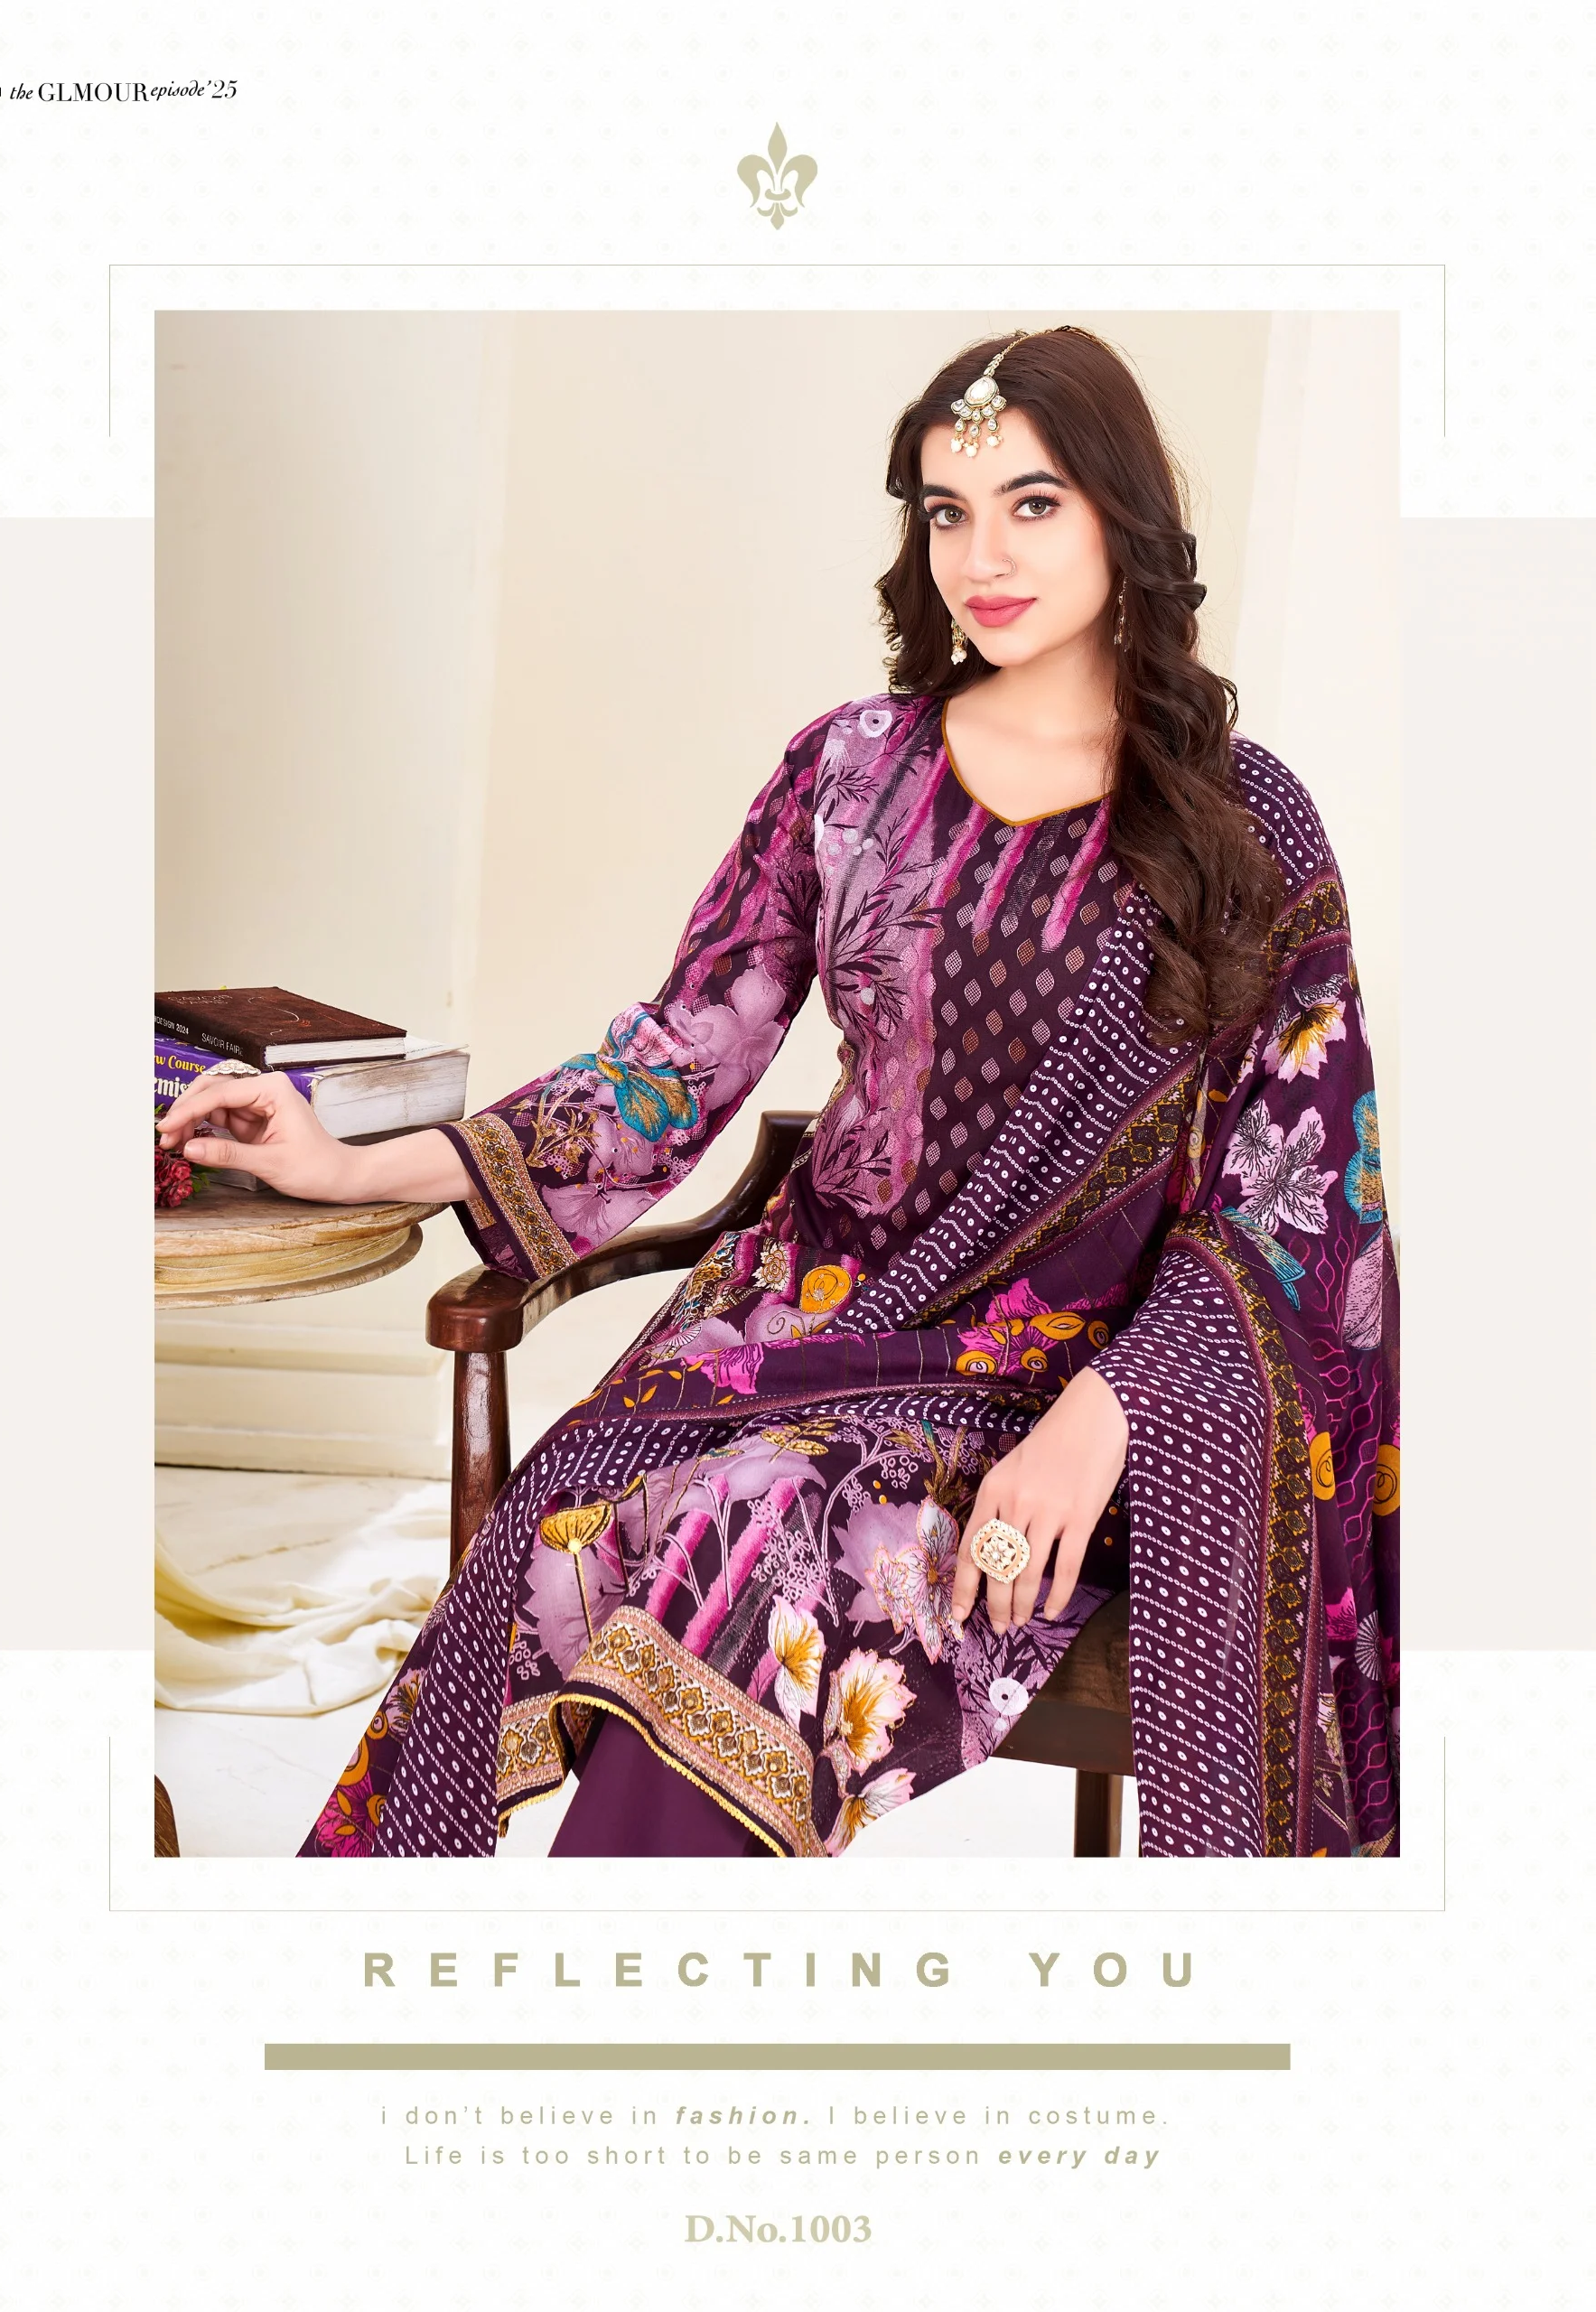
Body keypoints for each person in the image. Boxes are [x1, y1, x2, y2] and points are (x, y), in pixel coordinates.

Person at [159, 327, 1399, 1860]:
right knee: (669, 1510)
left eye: (1033, 504)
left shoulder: (1242, 820)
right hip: (802, 1333)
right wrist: (351, 1162)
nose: (982, 557)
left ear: (1121, 515)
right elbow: (678, 1057)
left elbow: (1297, 1195)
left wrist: (1111, 1413)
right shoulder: (851, 772)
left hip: (1071, 1386)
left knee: (759, 1528)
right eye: (946, 512)